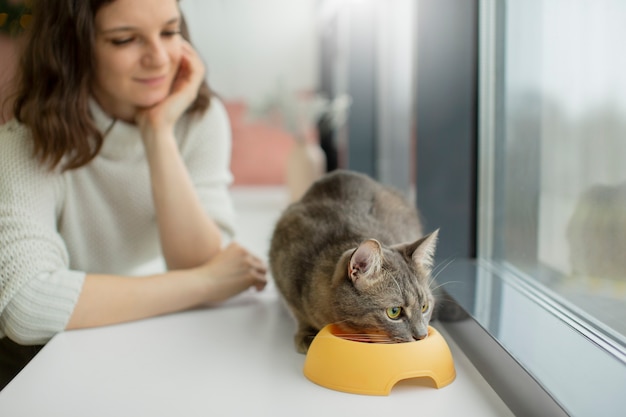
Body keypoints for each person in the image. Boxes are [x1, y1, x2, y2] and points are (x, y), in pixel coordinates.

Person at [0, 0, 268, 389]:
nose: (159, 58)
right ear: (76, 47)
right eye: (125, 39)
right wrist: (206, 283)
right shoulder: (25, 142)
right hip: (31, 366)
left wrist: (158, 133)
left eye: (170, 31)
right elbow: (28, 307)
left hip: (122, 339)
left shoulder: (198, 118)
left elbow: (199, 260)